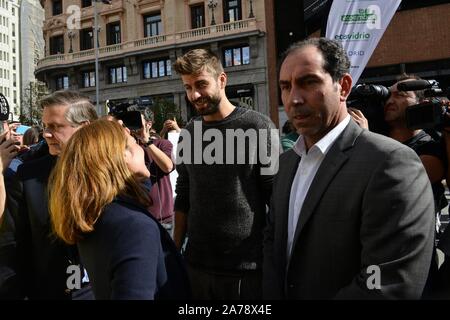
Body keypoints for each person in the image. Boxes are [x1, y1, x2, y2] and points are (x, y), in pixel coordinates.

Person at [263, 37, 435, 299]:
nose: (294, 99)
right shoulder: (286, 165)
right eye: (285, 86)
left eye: (308, 82)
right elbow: (273, 249)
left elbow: (385, 280)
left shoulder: (391, 163)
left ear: (343, 87)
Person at [173, 48, 278, 299]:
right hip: (195, 265)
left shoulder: (260, 127)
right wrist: (175, 250)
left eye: (201, 84)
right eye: (188, 88)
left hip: (245, 270)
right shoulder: (188, 133)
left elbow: (275, 198)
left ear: (222, 80)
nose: (194, 95)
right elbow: (183, 194)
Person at [48, 119, 190, 300]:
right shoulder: (133, 226)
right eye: (134, 143)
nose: (141, 148)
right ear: (122, 155)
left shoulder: (97, 212)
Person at [0, 90, 98, 299]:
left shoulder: (112, 175)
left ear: (85, 128)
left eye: (56, 127)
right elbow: (12, 246)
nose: (46, 134)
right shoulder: (27, 177)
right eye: (45, 126)